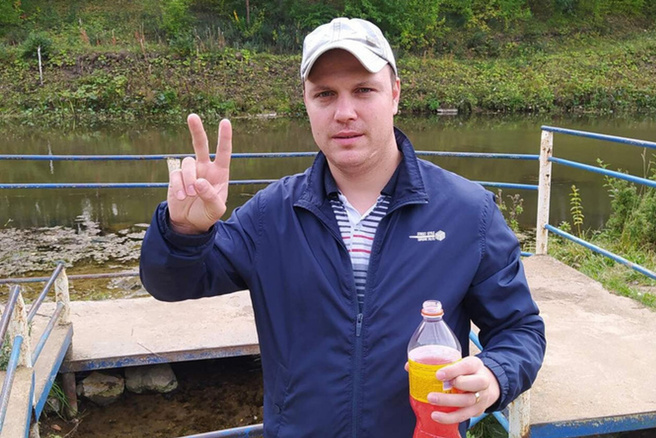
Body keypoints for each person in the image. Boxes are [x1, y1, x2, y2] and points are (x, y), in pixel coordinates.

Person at [140, 17, 546, 437]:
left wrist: (495, 375)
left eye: (364, 90)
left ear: (395, 93)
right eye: (325, 94)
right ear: (306, 102)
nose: (344, 113)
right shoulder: (270, 215)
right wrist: (183, 231)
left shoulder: (467, 212)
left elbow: (519, 329)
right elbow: (171, 283)